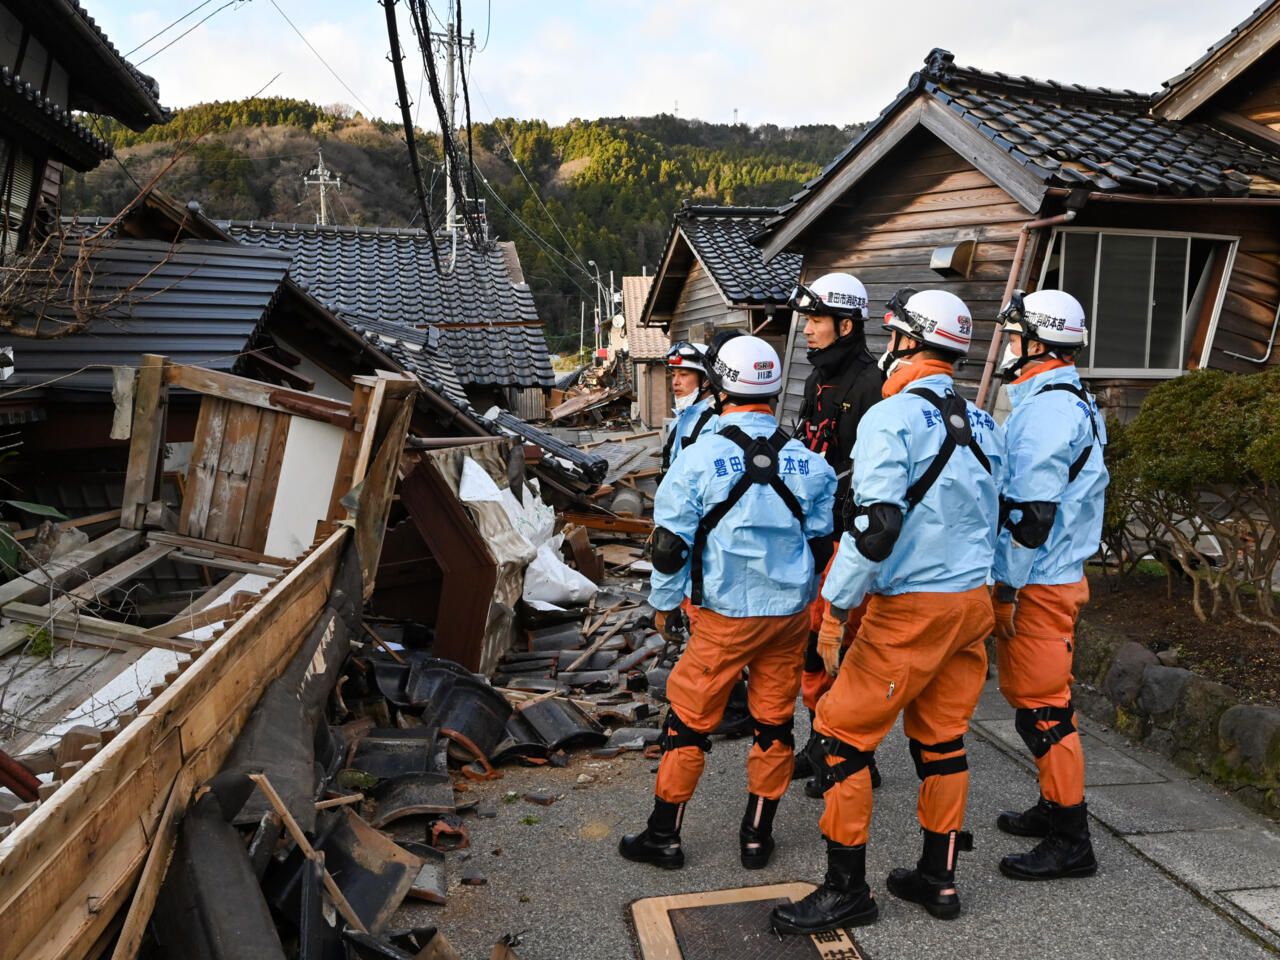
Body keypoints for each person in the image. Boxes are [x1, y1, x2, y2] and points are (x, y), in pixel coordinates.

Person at [772, 288, 1004, 934]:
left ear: (904, 340)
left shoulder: (890, 417)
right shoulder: (984, 422)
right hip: (971, 604)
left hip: (912, 608)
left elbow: (874, 529)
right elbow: (1007, 520)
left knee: (840, 738)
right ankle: (940, 877)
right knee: (941, 738)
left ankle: (847, 889)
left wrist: (837, 608)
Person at [619, 335, 836, 871]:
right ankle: (757, 836)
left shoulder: (697, 461)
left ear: (717, 387)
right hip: (787, 617)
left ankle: (664, 836)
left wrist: (665, 604)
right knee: (774, 723)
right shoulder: (810, 464)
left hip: (723, 614)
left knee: (689, 722)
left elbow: (670, 547)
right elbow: (821, 542)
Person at [990, 288, 1108, 881]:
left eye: (1015, 336)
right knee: (1036, 704)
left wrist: (1005, 587)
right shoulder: (1072, 398)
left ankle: (1071, 837)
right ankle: (1051, 806)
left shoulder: (1045, 410)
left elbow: (1030, 515)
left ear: (1037, 341)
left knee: (1044, 711)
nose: (1010, 347)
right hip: (1055, 572)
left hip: (1038, 579)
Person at [786, 273, 885, 794]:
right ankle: (820, 741)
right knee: (811, 650)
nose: (807, 329)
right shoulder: (815, 378)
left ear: (846, 324)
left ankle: (853, 754)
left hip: (849, 536)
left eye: (816, 320)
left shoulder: (873, 385)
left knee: (839, 649)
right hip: (814, 532)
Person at [660, 341, 716, 473]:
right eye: (673, 375)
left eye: (683, 374)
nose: (675, 382)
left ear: (706, 380)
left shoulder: (715, 424)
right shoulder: (679, 420)